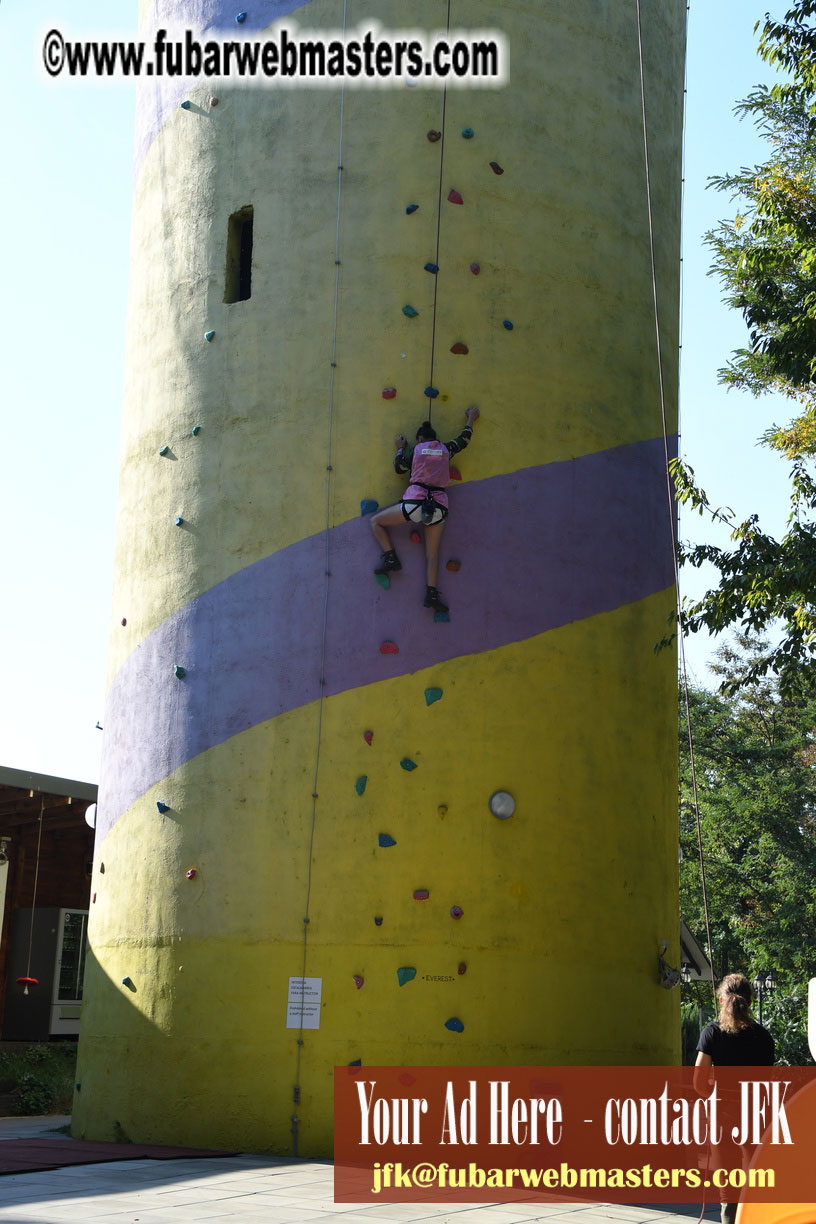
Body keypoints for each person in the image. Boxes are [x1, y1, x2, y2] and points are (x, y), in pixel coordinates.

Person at [370, 404, 480, 613]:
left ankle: (391, 558)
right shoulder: (446, 449)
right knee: (432, 554)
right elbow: (464, 439)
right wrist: (471, 418)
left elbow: (399, 467)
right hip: (438, 506)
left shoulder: (416, 451)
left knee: (375, 522)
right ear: (435, 438)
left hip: (415, 503)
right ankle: (431, 593)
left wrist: (400, 447)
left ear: (420, 439)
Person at [694, 974, 775, 1224]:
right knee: (755, 1179)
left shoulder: (712, 1033)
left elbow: (698, 1082)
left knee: (727, 1184)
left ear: (721, 1000)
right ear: (749, 1002)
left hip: (723, 1114)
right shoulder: (763, 1037)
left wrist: (714, 1095)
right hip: (754, 1113)